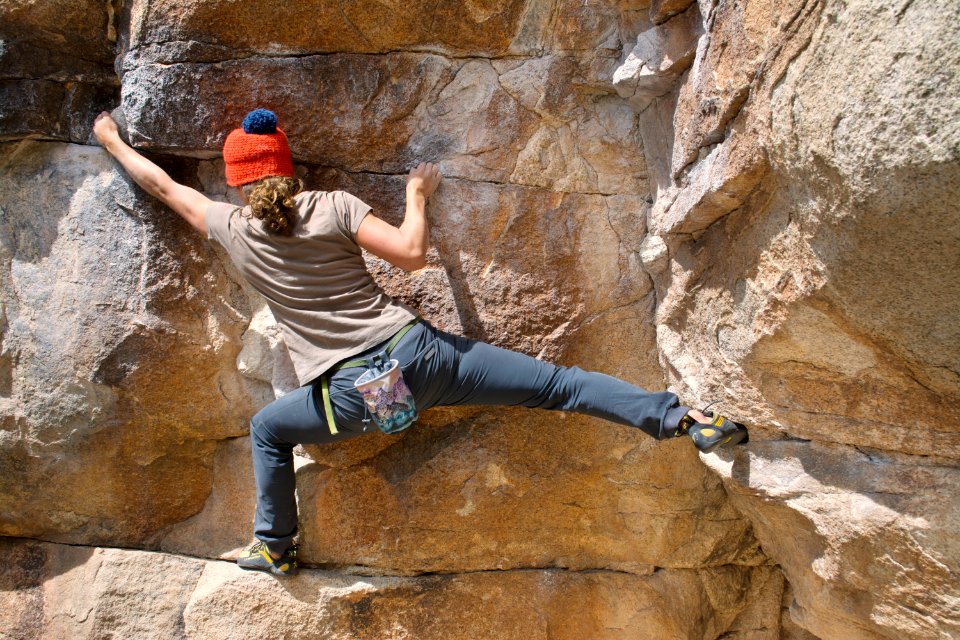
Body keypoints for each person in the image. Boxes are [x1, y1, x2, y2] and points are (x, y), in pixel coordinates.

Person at [92, 108, 748, 577]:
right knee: (560, 386)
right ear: (289, 170)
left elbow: (162, 187)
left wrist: (112, 140)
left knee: (269, 430)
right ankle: (683, 418)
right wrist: (415, 193)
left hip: (358, 397)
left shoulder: (232, 226)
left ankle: (275, 547)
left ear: (239, 180)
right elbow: (410, 254)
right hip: (420, 356)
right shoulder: (332, 207)